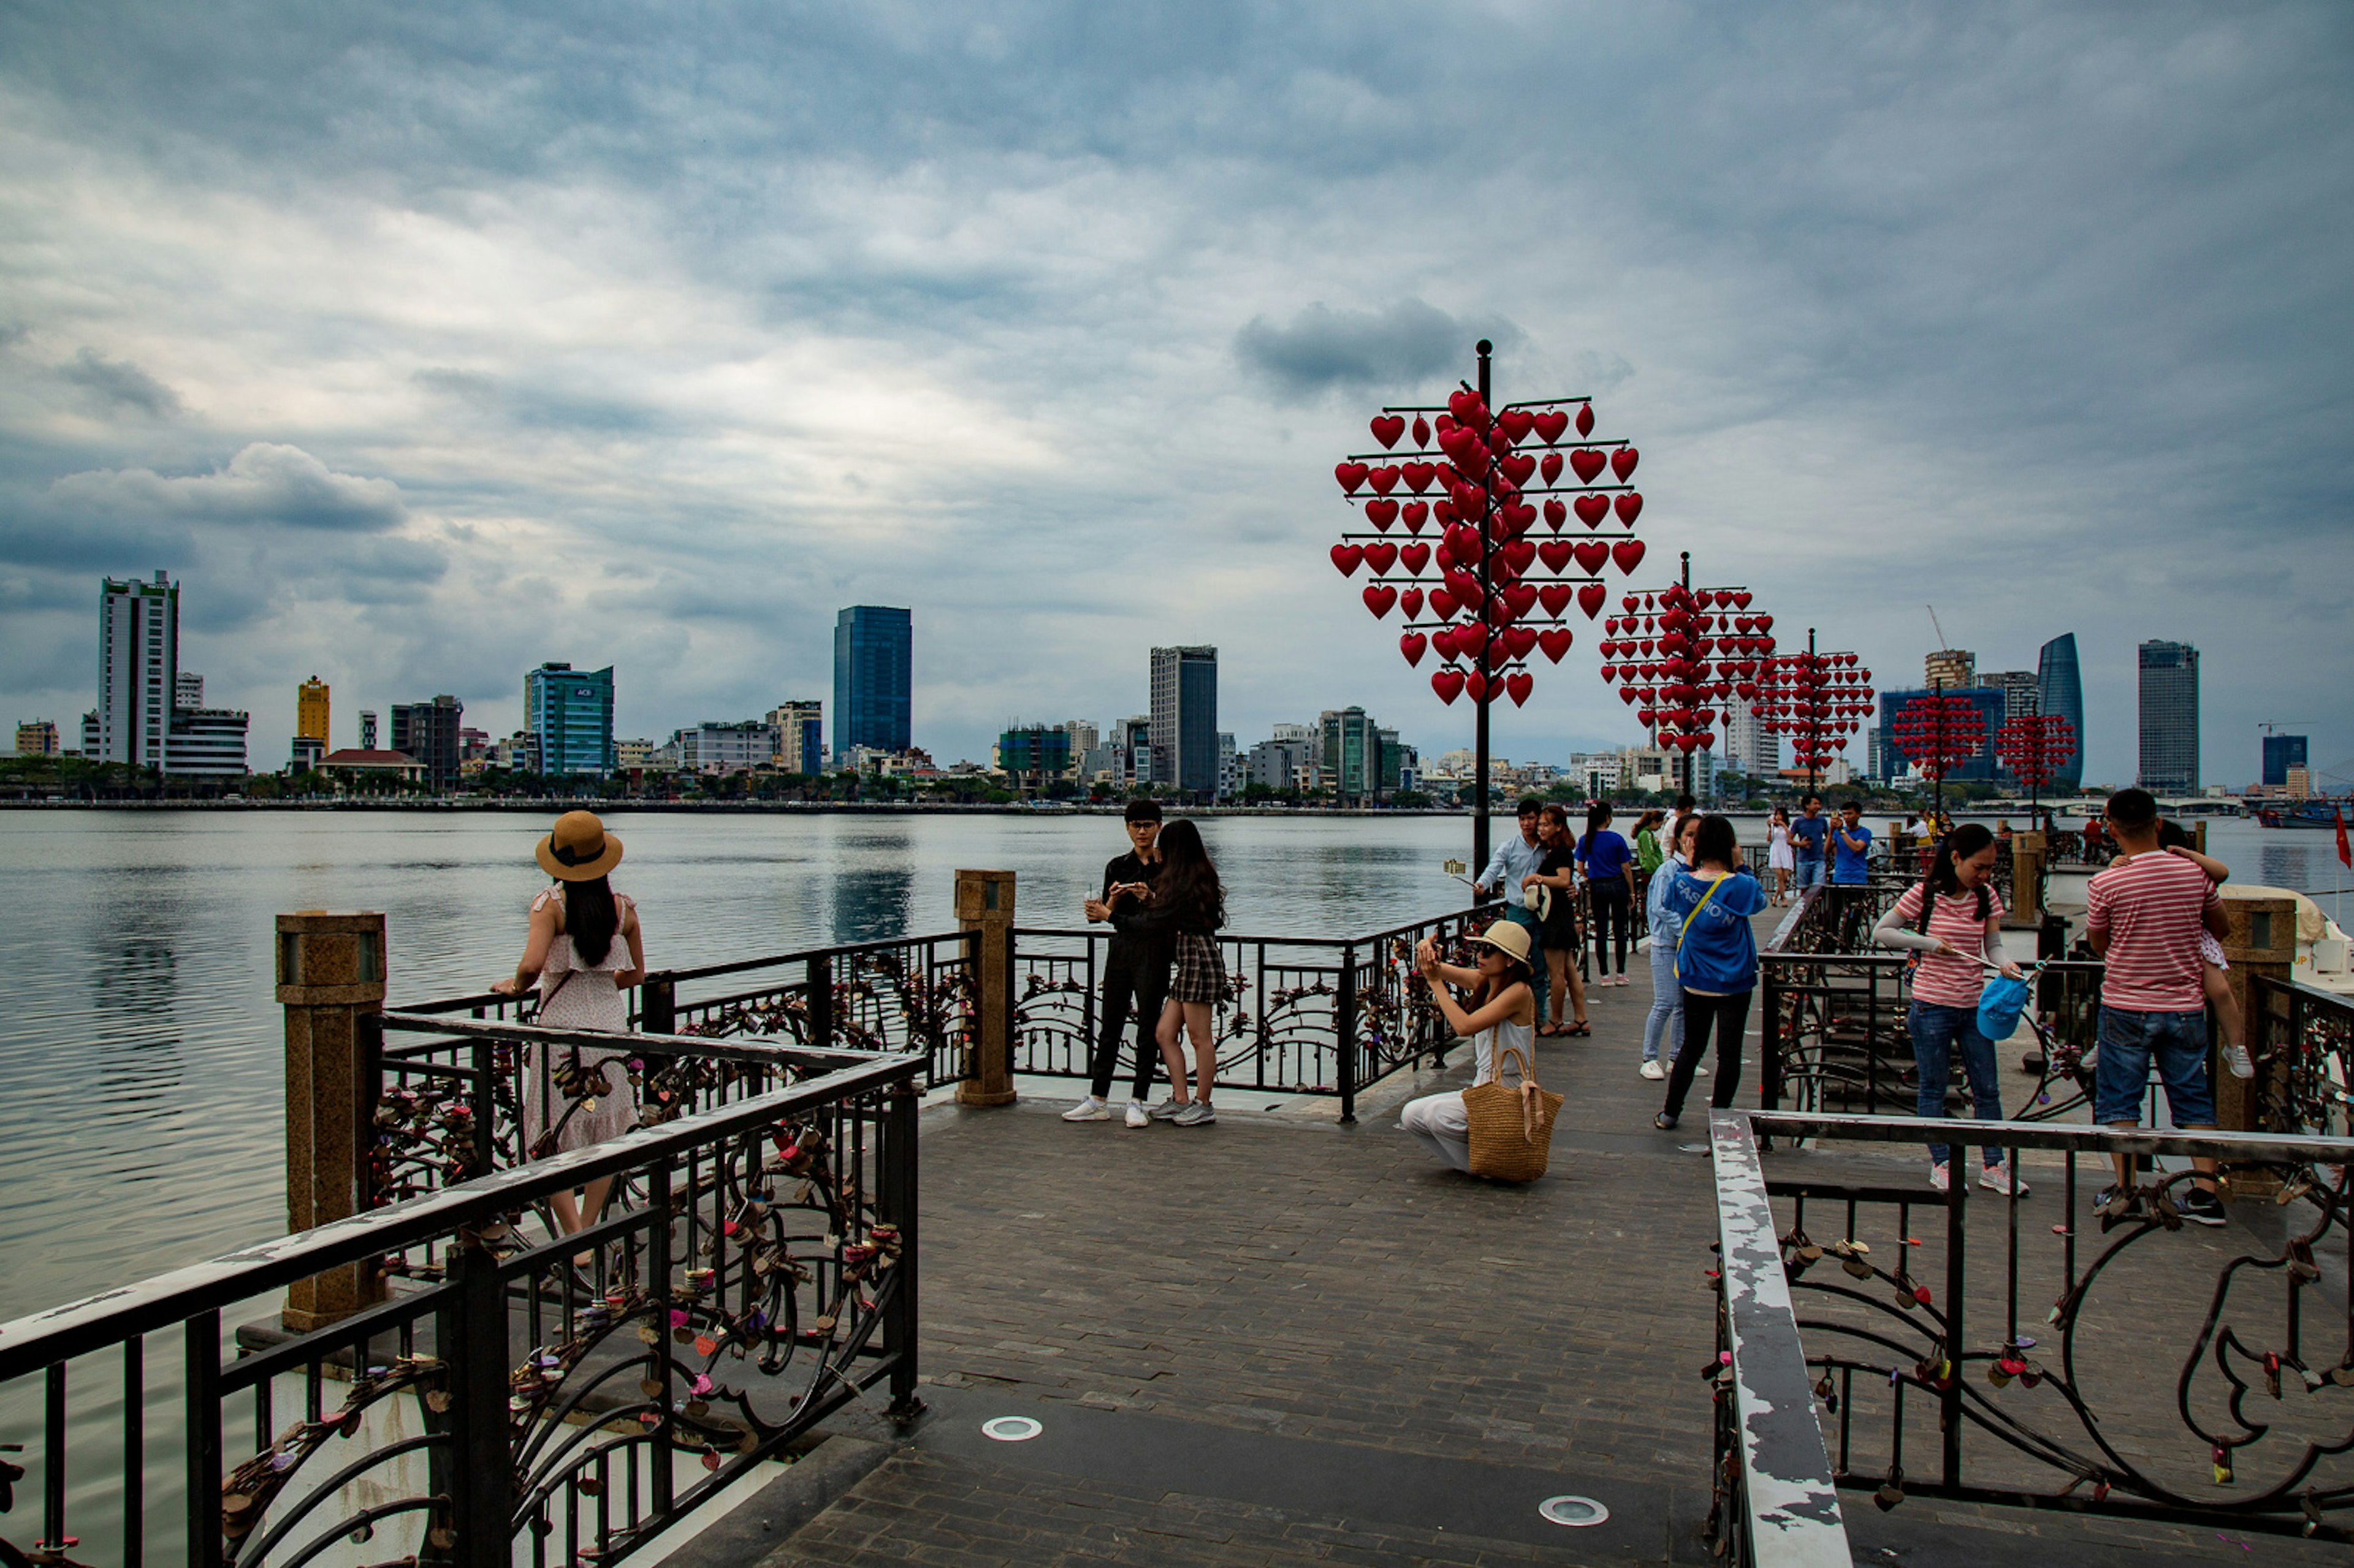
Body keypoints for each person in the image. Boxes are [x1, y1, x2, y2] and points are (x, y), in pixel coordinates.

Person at [492, 810, 647, 1241]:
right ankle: (589, 1229)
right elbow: (636, 976)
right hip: (611, 1028)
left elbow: (531, 965)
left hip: (561, 1033)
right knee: (608, 1131)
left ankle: (572, 1234)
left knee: (548, 1133)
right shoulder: (623, 909)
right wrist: (599, 985)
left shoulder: (550, 905)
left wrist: (515, 986)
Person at [2084, 789, 2231, 1225]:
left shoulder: (2106, 883)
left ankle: (2126, 1191)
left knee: (2120, 1103)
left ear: (2111, 829)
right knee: (2193, 1100)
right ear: (2159, 824)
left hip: (2126, 1004)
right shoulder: (2192, 874)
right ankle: (2206, 1194)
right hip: (2185, 1005)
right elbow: (2220, 928)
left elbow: (2099, 943)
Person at [1872, 824, 2028, 1194]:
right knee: (1933, 1088)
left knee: (1987, 1088)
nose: (1985, 875)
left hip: (1974, 1005)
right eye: (1979, 866)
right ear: (1956, 858)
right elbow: (1883, 931)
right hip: (1931, 1005)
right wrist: (1929, 944)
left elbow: (1993, 945)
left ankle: (1995, 1165)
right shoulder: (1925, 895)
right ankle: (1942, 1163)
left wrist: (2006, 964)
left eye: (1990, 868)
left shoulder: (1986, 897)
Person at [2114, 822, 2255, 1079]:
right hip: (2152, 941)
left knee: (2221, 991)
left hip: (2193, 937)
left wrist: (2189, 855)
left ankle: (2236, 1046)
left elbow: (2222, 873)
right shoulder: (2134, 867)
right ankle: (2104, 1044)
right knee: (2121, 992)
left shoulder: (2190, 869)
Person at [1655, 816, 1770, 1129]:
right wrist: (1741, 865)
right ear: (1731, 845)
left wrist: (1687, 864)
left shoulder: (1683, 881)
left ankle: (1670, 1113)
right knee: (1729, 1054)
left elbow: (1668, 901)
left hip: (1696, 978)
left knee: (1691, 1048)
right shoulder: (1742, 884)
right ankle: (1720, 1116)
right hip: (1735, 979)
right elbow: (1760, 902)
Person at [1399, 921, 1539, 1173]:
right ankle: (1477, 1164)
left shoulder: (1519, 992)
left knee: (1437, 1116)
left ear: (1510, 961)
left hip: (1508, 1091)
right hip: (1483, 1085)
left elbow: (1464, 1026)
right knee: (1412, 1115)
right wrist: (1425, 950)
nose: (1480, 956)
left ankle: (1487, 1166)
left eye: (1489, 951)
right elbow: (1435, 969)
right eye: (1480, 948)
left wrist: (1435, 983)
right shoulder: (1486, 982)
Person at [1065, 799, 1173, 1127]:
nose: (1142, 832)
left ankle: (1138, 1100)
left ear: (1158, 828)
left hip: (1154, 953)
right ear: (1127, 828)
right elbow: (1103, 917)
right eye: (1136, 825)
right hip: (1121, 951)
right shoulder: (1117, 866)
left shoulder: (1167, 866)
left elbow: (1169, 916)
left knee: (1147, 1029)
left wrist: (1149, 898)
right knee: (1110, 1024)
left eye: (1148, 825)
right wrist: (1112, 900)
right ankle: (1098, 1097)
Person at [1145, 820, 1228, 1127]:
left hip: (1199, 961)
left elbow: (1164, 916)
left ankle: (1204, 1103)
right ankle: (1181, 1099)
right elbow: (1167, 911)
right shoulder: (1190, 877)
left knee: (1199, 1037)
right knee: (1165, 1034)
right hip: (1189, 962)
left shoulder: (1189, 881)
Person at [1639, 812, 1702, 1080]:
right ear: (1677, 839)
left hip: (1684, 945)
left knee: (1682, 1005)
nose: (1694, 841)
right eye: (1689, 835)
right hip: (1666, 944)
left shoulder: (1697, 871)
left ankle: (1677, 1057)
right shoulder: (1668, 870)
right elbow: (1660, 908)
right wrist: (1687, 931)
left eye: (1699, 836)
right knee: (1664, 1002)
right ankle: (1649, 1057)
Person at [1477, 798, 1552, 1022]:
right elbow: (1494, 868)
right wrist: (1482, 885)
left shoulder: (1547, 846)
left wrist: (1573, 885)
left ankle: (1539, 1016)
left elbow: (1564, 869)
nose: (1526, 824)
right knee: (1510, 966)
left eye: (1530, 818)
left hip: (1541, 912)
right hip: (1517, 912)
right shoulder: (1509, 847)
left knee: (1539, 967)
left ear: (1539, 818)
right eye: (1522, 819)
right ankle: (1508, 1014)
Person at [1525, 804, 1590, 1037]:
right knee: (1570, 970)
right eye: (1540, 824)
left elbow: (1564, 880)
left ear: (1558, 827)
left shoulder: (1561, 851)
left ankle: (1556, 1019)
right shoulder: (1557, 850)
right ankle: (1581, 1018)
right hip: (1562, 915)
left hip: (1555, 917)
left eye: (1546, 825)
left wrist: (1536, 878)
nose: (1541, 829)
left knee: (1557, 974)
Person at [1576, 803, 1638, 986]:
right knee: (1620, 931)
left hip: (1597, 886)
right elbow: (1626, 868)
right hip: (1617, 884)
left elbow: (1580, 868)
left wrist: (1589, 877)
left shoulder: (1585, 840)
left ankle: (1604, 976)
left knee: (1601, 931)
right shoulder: (1617, 839)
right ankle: (1621, 974)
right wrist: (1632, 892)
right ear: (1607, 818)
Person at [1789, 794, 1829, 892]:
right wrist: (1801, 844)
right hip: (1803, 860)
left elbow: (1829, 837)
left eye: (1819, 804)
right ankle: (1804, 907)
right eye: (1815, 804)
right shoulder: (1799, 822)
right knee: (1803, 888)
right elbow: (1789, 840)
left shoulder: (1822, 821)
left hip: (1819, 859)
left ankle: (1817, 906)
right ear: (1807, 805)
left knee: (1818, 887)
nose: (1818, 807)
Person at [1765, 807, 1794, 906]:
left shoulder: (1788, 827)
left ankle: (1775, 896)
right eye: (1777, 814)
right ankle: (1784, 898)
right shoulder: (1774, 827)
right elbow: (1769, 839)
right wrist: (1770, 828)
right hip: (1776, 849)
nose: (1778, 817)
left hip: (1785, 849)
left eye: (1780, 815)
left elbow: (1790, 837)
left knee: (1785, 877)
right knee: (1779, 876)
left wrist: (1784, 825)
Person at [1631, 809, 1668, 881]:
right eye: (1659, 825)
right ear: (1654, 822)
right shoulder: (1646, 834)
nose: (1659, 828)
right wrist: (1659, 869)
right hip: (1650, 870)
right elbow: (1650, 854)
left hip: (1649, 870)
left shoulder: (1645, 833)